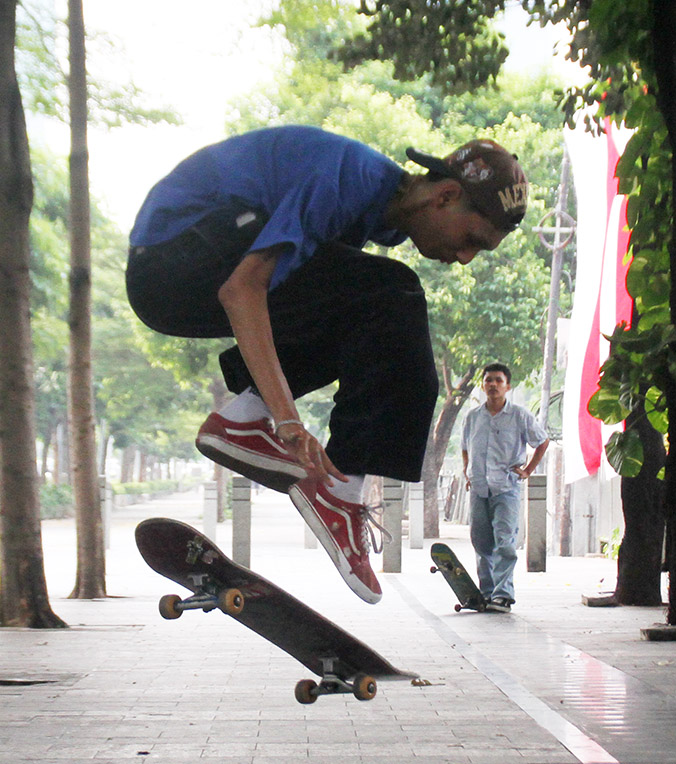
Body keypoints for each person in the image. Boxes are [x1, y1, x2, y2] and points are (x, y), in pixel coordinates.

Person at [126, 126, 528, 604]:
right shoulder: (346, 177)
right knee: (392, 293)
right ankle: (318, 472)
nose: (464, 258)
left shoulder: (378, 212)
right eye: (473, 240)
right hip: (173, 254)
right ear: (444, 196)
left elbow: (325, 320)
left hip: (187, 267)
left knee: (374, 318)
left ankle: (255, 426)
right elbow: (243, 290)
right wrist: (288, 420)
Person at [461, 363, 549, 612]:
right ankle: (486, 593)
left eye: (498, 381)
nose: (493, 385)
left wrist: (528, 470)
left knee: (505, 542)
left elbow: (541, 441)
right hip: (478, 488)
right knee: (481, 543)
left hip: (506, 488)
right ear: (482, 385)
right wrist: (467, 471)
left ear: (507, 386)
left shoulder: (519, 415)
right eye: (488, 380)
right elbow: (466, 447)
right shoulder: (473, 416)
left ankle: (503, 594)